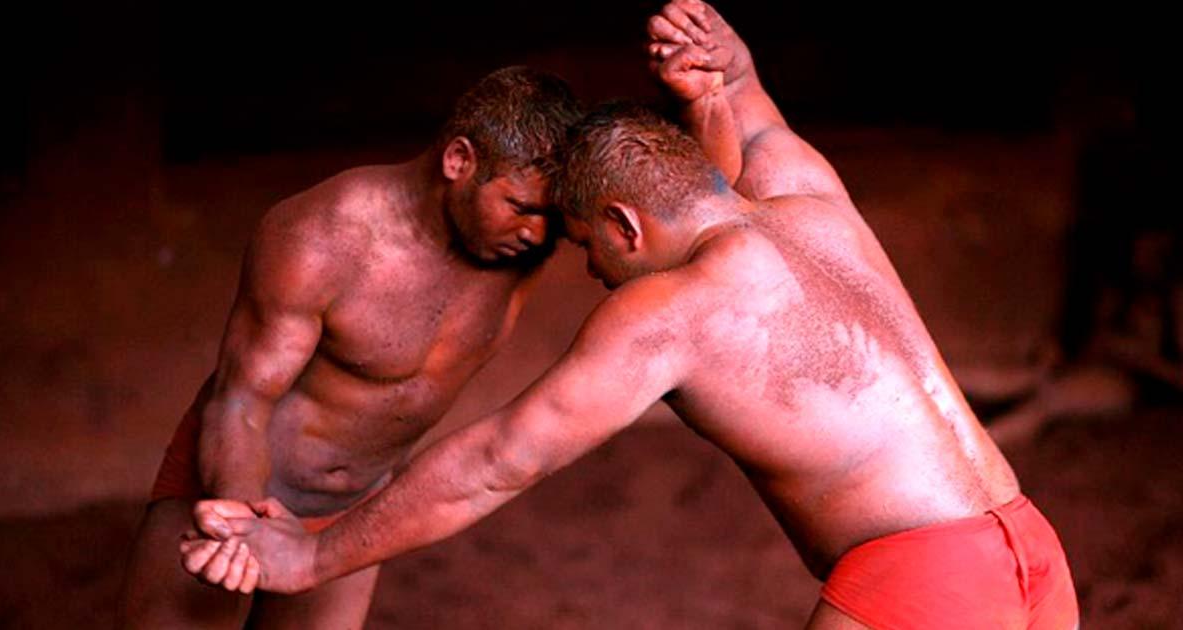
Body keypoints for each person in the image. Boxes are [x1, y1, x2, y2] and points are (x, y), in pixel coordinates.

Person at [184, 2, 1079, 627]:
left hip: (923, 578)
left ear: (623, 223)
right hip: (1032, 550)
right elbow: (748, 107)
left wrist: (305, 556)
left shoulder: (673, 310)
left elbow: (502, 460)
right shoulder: (810, 200)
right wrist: (719, 54)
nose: (595, 272)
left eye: (585, 246)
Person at [117, 66, 582, 629]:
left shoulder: (523, 249)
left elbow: (666, 214)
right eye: (521, 207)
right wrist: (241, 524)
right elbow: (241, 399)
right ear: (459, 161)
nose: (537, 234)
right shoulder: (322, 236)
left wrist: (711, 92)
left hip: (353, 508)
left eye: (550, 218)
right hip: (235, 485)